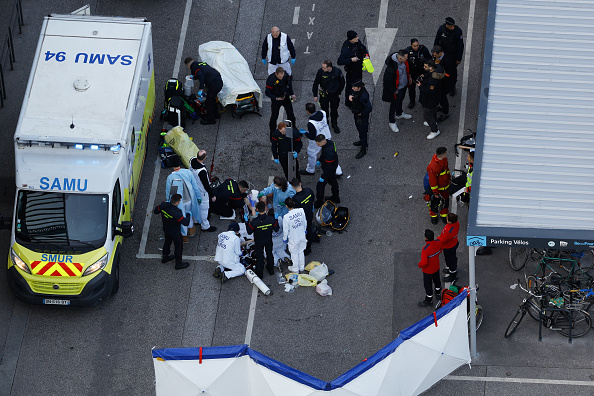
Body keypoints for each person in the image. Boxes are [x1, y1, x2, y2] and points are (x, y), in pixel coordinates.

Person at [299, 103, 343, 176]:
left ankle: (310, 170)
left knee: (312, 154)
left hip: (317, 141)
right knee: (331, 153)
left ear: (307, 111)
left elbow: (312, 136)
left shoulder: (311, 123)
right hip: (326, 136)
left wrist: (305, 133)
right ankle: (338, 171)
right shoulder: (323, 113)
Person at [165, 157, 201, 242]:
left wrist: (169, 203)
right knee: (189, 213)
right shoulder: (188, 172)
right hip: (189, 199)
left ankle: (184, 235)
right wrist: (198, 197)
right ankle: (191, 229)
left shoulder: (171, 177)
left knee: (182, 217)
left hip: (178, 202)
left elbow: (169, 192)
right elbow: (195, 186)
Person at [153, 194, 190, 270]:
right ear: (177, 202)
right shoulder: (176, 212)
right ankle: (178, 263)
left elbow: (156, 211)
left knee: (167, 242)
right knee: (179, 247)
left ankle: (165, 257)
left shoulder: (163, 205)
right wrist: (188, 215)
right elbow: (186, 223)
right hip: (175, 232)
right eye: (180, 201)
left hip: (166, 229)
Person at [184, 57, 223, 125]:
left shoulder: (194, 67)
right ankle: (217, 115)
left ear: (188, 65)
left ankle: (211, 120)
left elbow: (201, 77)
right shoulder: (200, 63)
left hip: (214, 84)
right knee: (212, 99)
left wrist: (201, 89)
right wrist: (194, 77)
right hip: (218, 80)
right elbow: (203, 72)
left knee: (208, 103)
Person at [247, 201, 280, 278]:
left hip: (258, 241)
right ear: (265, 208)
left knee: (260, 257)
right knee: (269, 254)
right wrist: (276, 220)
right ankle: (271, 269)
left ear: (257, 209)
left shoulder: (254, 222)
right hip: (268, 239)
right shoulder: (271, 219)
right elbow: (276, 229)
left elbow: (249, 232)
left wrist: (246, 222)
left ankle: (260, 273)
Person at [382, 49, 412, 133]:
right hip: (397, 89)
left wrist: (409, 77)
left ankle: (399, 113)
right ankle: (392, 122)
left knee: (400, 100)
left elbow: (406, 71)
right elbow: (387, 82)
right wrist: (394, 90)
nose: (407, 59)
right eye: (405, 58)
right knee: (394, 104)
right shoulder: (391, 68)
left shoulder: (403, 62)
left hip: (403, 86)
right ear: (400, 58)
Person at [337, 30, 369, 107]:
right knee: (350, 87)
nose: (358, 38)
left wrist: (366, 54)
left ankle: (357, 98)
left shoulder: (357, 42)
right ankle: (348, 102)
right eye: (356, 37)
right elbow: (340, 61)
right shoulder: (346, 48)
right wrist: (351, 60)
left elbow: (363, 48)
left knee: (358, 85)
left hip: (359, 69)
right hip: (352, 72)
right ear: (351, 39)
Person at [312, 60, 345, 133]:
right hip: (324, 95)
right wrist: (315, 95)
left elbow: (342, 82)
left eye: (324, 68)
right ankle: (325, 123)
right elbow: (316, 83)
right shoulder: (320, 72)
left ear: (329, 67)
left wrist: (338, 92)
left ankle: (334, 124)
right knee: (324, 111)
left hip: (334, 95)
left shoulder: (337, 72)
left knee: (334, 110)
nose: (322, 69)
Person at [433, 17, 464, 96]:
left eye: (453, 26)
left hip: (452, 55)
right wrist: (434, 54)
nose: (452, 27)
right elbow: (436, 41)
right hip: (442, 54)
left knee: (452, 72)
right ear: (447, 25)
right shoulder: (441, 29)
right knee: (440, 69)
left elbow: (460, 46)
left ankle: (452, 87)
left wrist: (458, 58)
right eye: (451, 26)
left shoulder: (457, 31)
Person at [265, 67, 297, 141]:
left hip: (285, 98)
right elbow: (268, 92)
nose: (281, 78)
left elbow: (289, 85)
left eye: (282, 76)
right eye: (280, 77)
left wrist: (292, 94)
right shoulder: (271, 79)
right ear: (276, 74)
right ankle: (272, 133)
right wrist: (276, 98)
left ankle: (293, 129)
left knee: (291, 115)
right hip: (276, 100)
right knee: (274, 116)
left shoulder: (285, 75)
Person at [189, 151, 217, 233]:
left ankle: (196, 220)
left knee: (195, 205)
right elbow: (206, 185)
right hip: (202, 192)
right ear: (204, 158)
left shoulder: (192, 160)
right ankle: (205, 226)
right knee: (204, 209)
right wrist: (212, 195)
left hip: (193, 189)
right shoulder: (202, 172)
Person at [418, 59, 445, 140]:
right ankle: (435, 121)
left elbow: (429, 92)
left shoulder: (432, 80)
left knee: (427, 115)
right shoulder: (435, 73)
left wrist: (420, 86)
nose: (423, 67)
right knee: (433, 111)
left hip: (429, 100)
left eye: (425, 66)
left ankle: (434, 130)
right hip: (434, 99)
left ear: (430, 68)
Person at [291, 178, 316, 255]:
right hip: (310, 213)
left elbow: (296, 211)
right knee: (309, 227)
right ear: (300, 183)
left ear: (293, 187)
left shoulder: (295, 199)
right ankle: (310, 243)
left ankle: (306, 248)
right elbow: (313, 199)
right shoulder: (308, 190)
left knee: (304, 232)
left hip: (302, 218)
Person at [418, 229, 442, 307]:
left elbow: (424, 263)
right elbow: (441, 249)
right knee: (437, 281)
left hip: (428, 271)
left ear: (426, 238)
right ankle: (438, 293)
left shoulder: (425, 249)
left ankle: (429, 300)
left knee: (428, 285)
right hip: (436, 267)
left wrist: (419, 265)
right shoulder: (438, 243)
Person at [426, 147, 451, 224]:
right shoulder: (433, 166)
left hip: (445, 186)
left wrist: (449, 178)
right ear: (442, 155)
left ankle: (444, 215)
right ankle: (434, 216)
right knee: (434, 203)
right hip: (439, 188)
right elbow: (433, 181)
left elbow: (446, 170)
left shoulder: (444, 160)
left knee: (445, 202)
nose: (447, 153)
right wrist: (435, 193)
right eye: (446, 153)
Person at [314, 134, 339, 207]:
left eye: (318, 143)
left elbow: (329, 167)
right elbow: (323, 153)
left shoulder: (329, 153)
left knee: (320, 186)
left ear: (323, 142)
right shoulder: (330, 143)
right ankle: (336, 197)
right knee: (333, 182)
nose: (317, 145)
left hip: (329, 170)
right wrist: (320, 160)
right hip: (333, 166)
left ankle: (319, 202)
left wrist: (323, 176)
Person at [283, 198, 307, 273]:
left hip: (293, 237)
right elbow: (304, 222)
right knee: (301, 251)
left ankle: (295, 268)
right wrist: (304, 230)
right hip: (302, 235)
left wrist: (284, 238)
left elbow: (285, 230)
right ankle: (302, 266)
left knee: (294, 253)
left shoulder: (286, 217)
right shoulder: (301, 211)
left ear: (286, 206)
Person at [349, 81, 373, 159]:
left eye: (354, 87)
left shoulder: (364, 96)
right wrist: (351, 95)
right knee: (359, 129)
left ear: (359, 87)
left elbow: (369, 108)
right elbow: (352, 92)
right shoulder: (356, 91)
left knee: (363, 131)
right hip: (357, 113)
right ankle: (362, 141)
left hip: (362, 116)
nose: (352, 88)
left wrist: (361, 114)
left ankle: (363, 148)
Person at [431, 45, 454, 122]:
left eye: (435, 54)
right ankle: (442, 106)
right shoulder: (437, 58)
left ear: (440, 53)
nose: (434, 56)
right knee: (440, 97)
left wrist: (442, 75)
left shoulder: (447, 60)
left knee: (443, 97)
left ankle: (445, 112)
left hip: (444, 83)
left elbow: (449, 74)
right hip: (439, 82)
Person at [406, 38, 431, 109]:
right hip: (412, 74)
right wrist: (409, 75)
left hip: (422, 73)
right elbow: (406, 64)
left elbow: (430, 59)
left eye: (417, 45)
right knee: (411, 89)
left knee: (423, 88)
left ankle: (424, 101)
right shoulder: (407, 51)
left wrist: (424, 60)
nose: (416, 47)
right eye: (414, 46)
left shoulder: (423, 49)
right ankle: (412, 101)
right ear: (411, 45)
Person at [439, 213, 460, 282]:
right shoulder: (456, 224)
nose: (446, 219)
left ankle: (452, 275)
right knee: (452, 259)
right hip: (454, 243)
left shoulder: (449, 231)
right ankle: (452, 270)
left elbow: (443, 240)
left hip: (449, 247)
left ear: (450, 221)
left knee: (450, 261)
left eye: (447, 218)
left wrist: (438, 239)